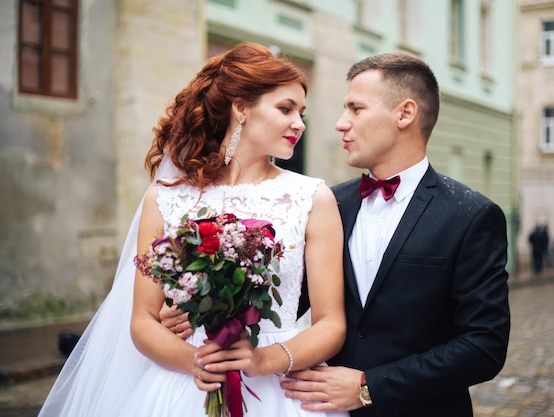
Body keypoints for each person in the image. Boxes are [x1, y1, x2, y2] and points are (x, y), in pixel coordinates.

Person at [38, 42, 348, 417]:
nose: (299, 124)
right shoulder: (166, 199)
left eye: (301, 112)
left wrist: (263, 360)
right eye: (285, 109)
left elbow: (331, 323)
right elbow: (142, 321)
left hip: (280, 386)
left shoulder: (312, 197)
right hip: (185, 385)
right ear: (241, 108)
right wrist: (195, 362)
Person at [281, 52, 511, 416]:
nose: (341, 123)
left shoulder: (471, 215)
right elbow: (291, 298)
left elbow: (484, 346)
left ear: (405, 113)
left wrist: (368, 387)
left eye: (356, 109)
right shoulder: (329, 204)